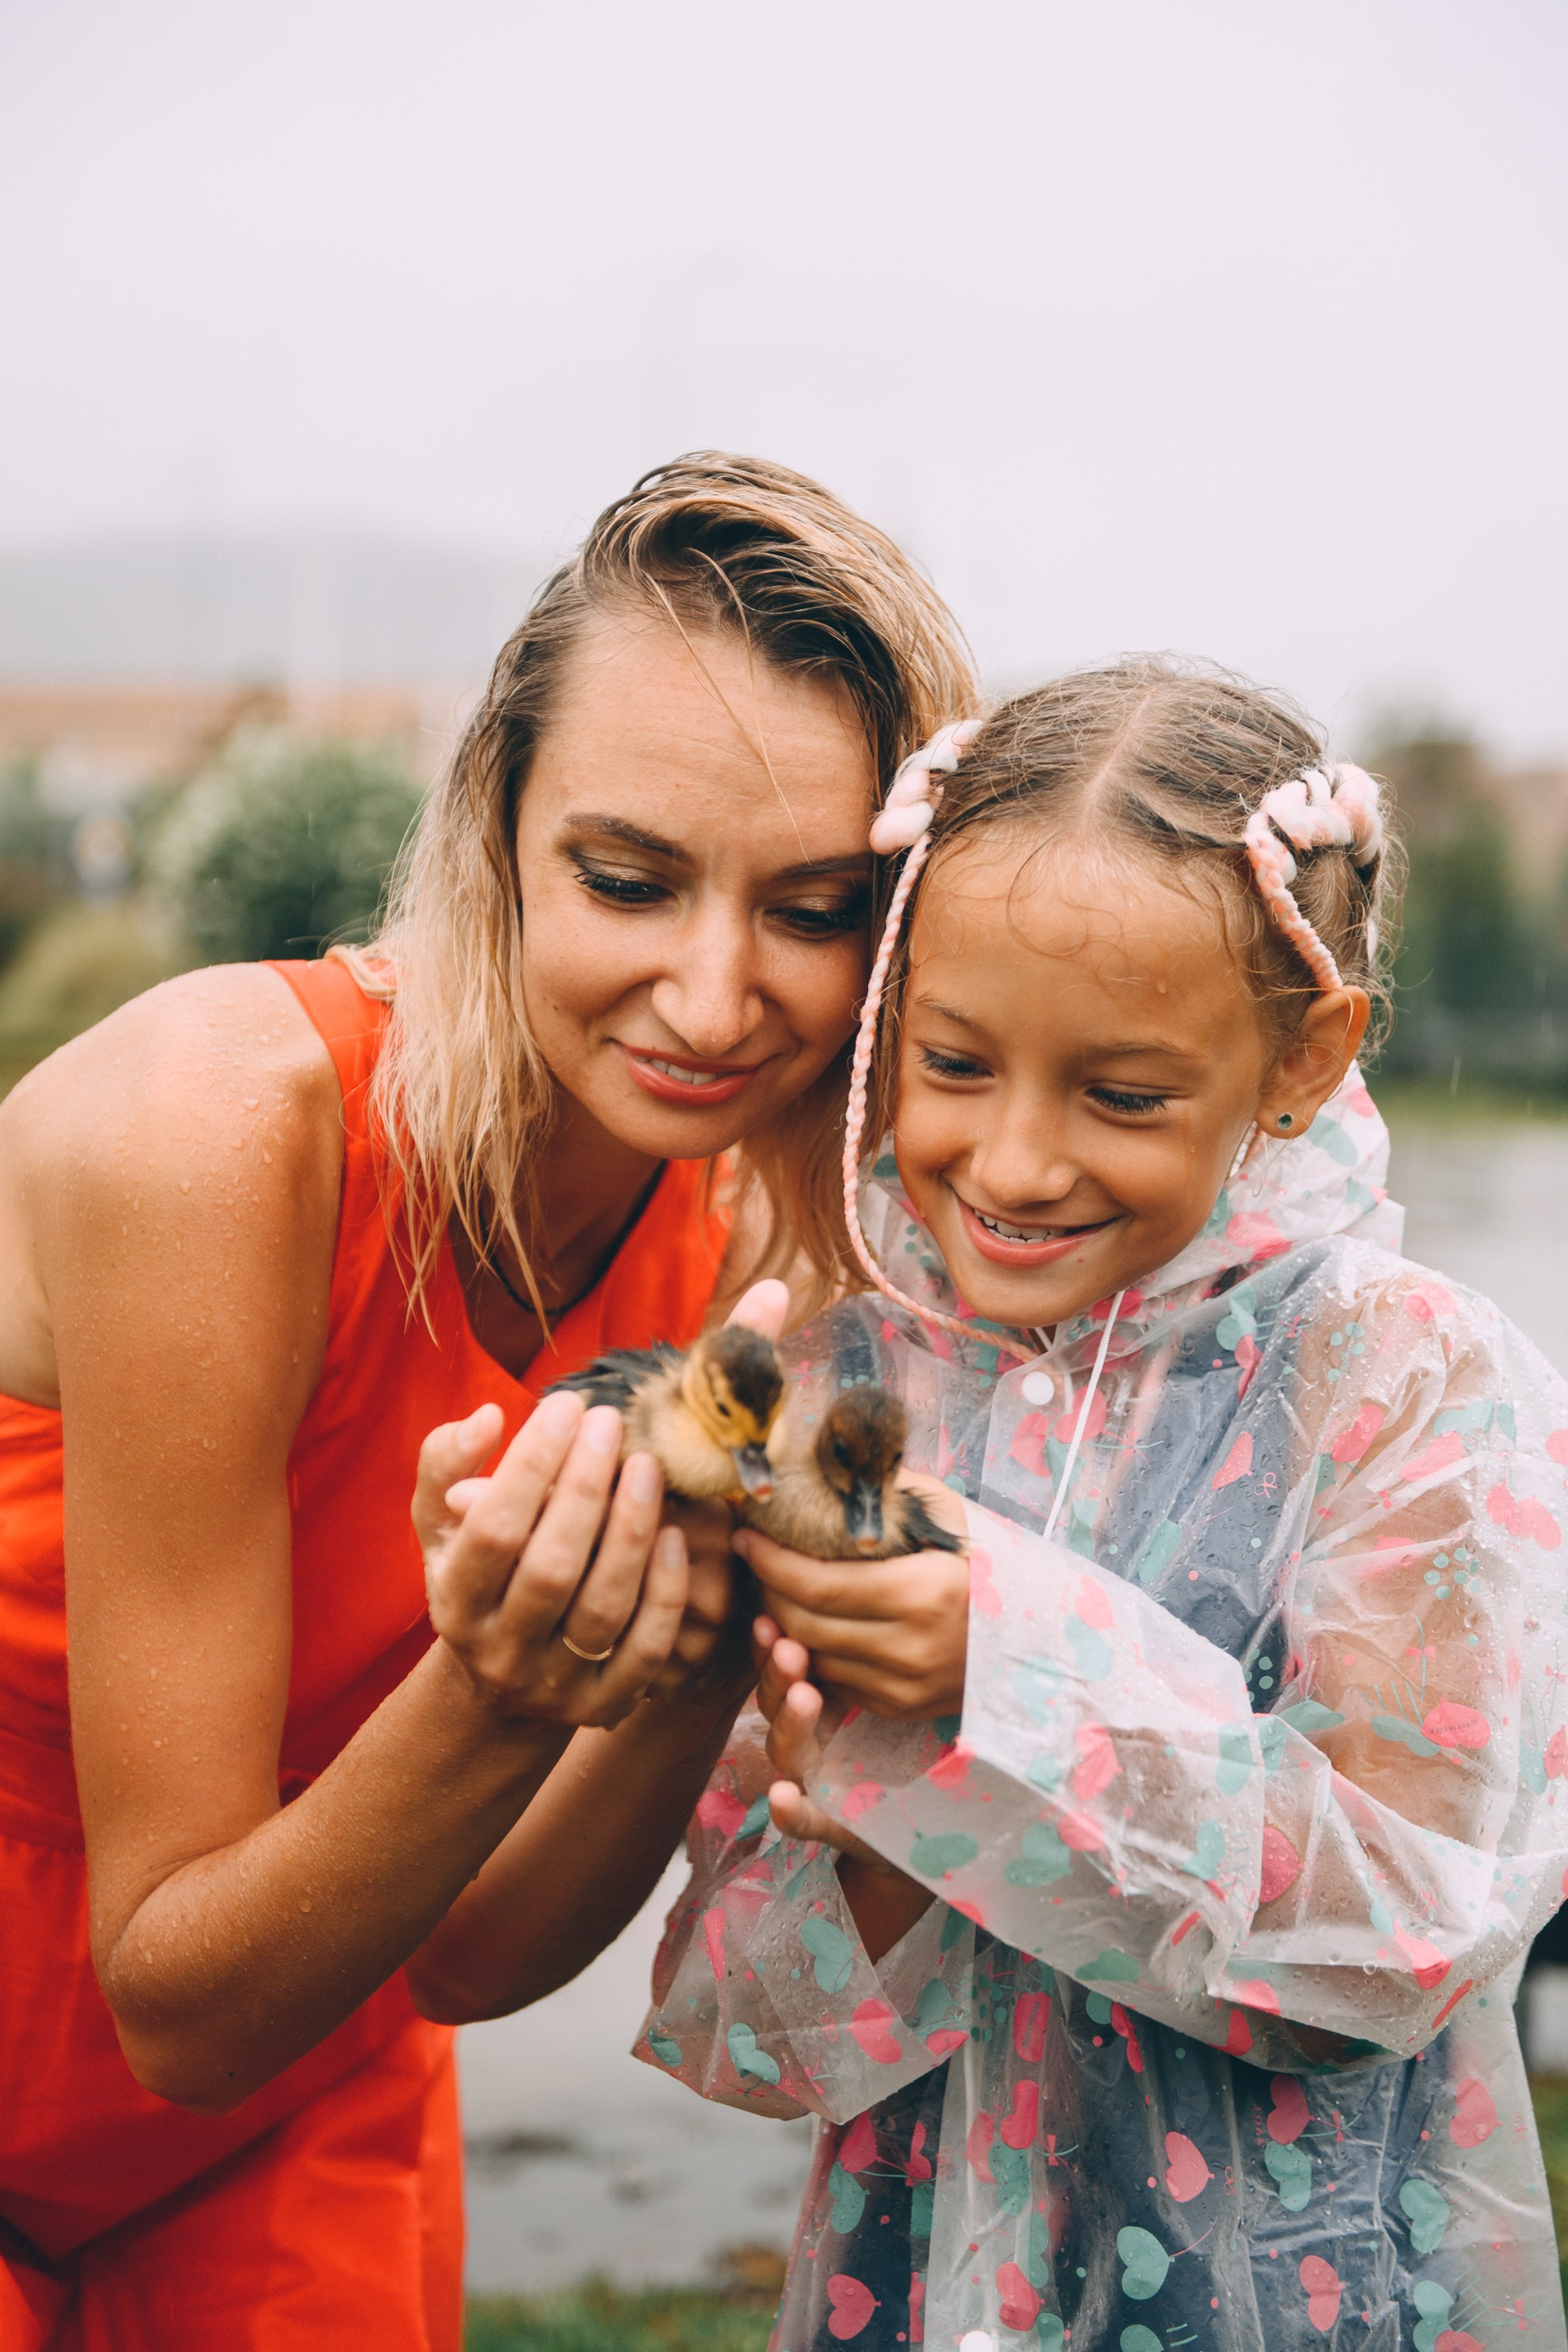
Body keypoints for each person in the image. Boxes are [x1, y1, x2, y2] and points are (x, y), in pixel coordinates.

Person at [0, 453, 976, 2350]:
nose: (714, 995)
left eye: (814, 905)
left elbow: (460, 1950)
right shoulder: (213, 1130)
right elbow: (167, 1990)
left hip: (305, 2065)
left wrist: (691, 1635)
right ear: (494, 830)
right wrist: (508, 1682)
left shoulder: (767, 1258)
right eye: (628, 878)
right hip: (170, 1976)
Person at [640, 662, 1568, 2352]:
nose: (1012, 1160)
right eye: (955, 1062)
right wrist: (872, 1841)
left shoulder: (1413, 1388)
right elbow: (742, 2039)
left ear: (1304, 1051)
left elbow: (1397, 1941)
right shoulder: (850, 1403)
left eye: (1121, 1093)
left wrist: (1004, 1668)